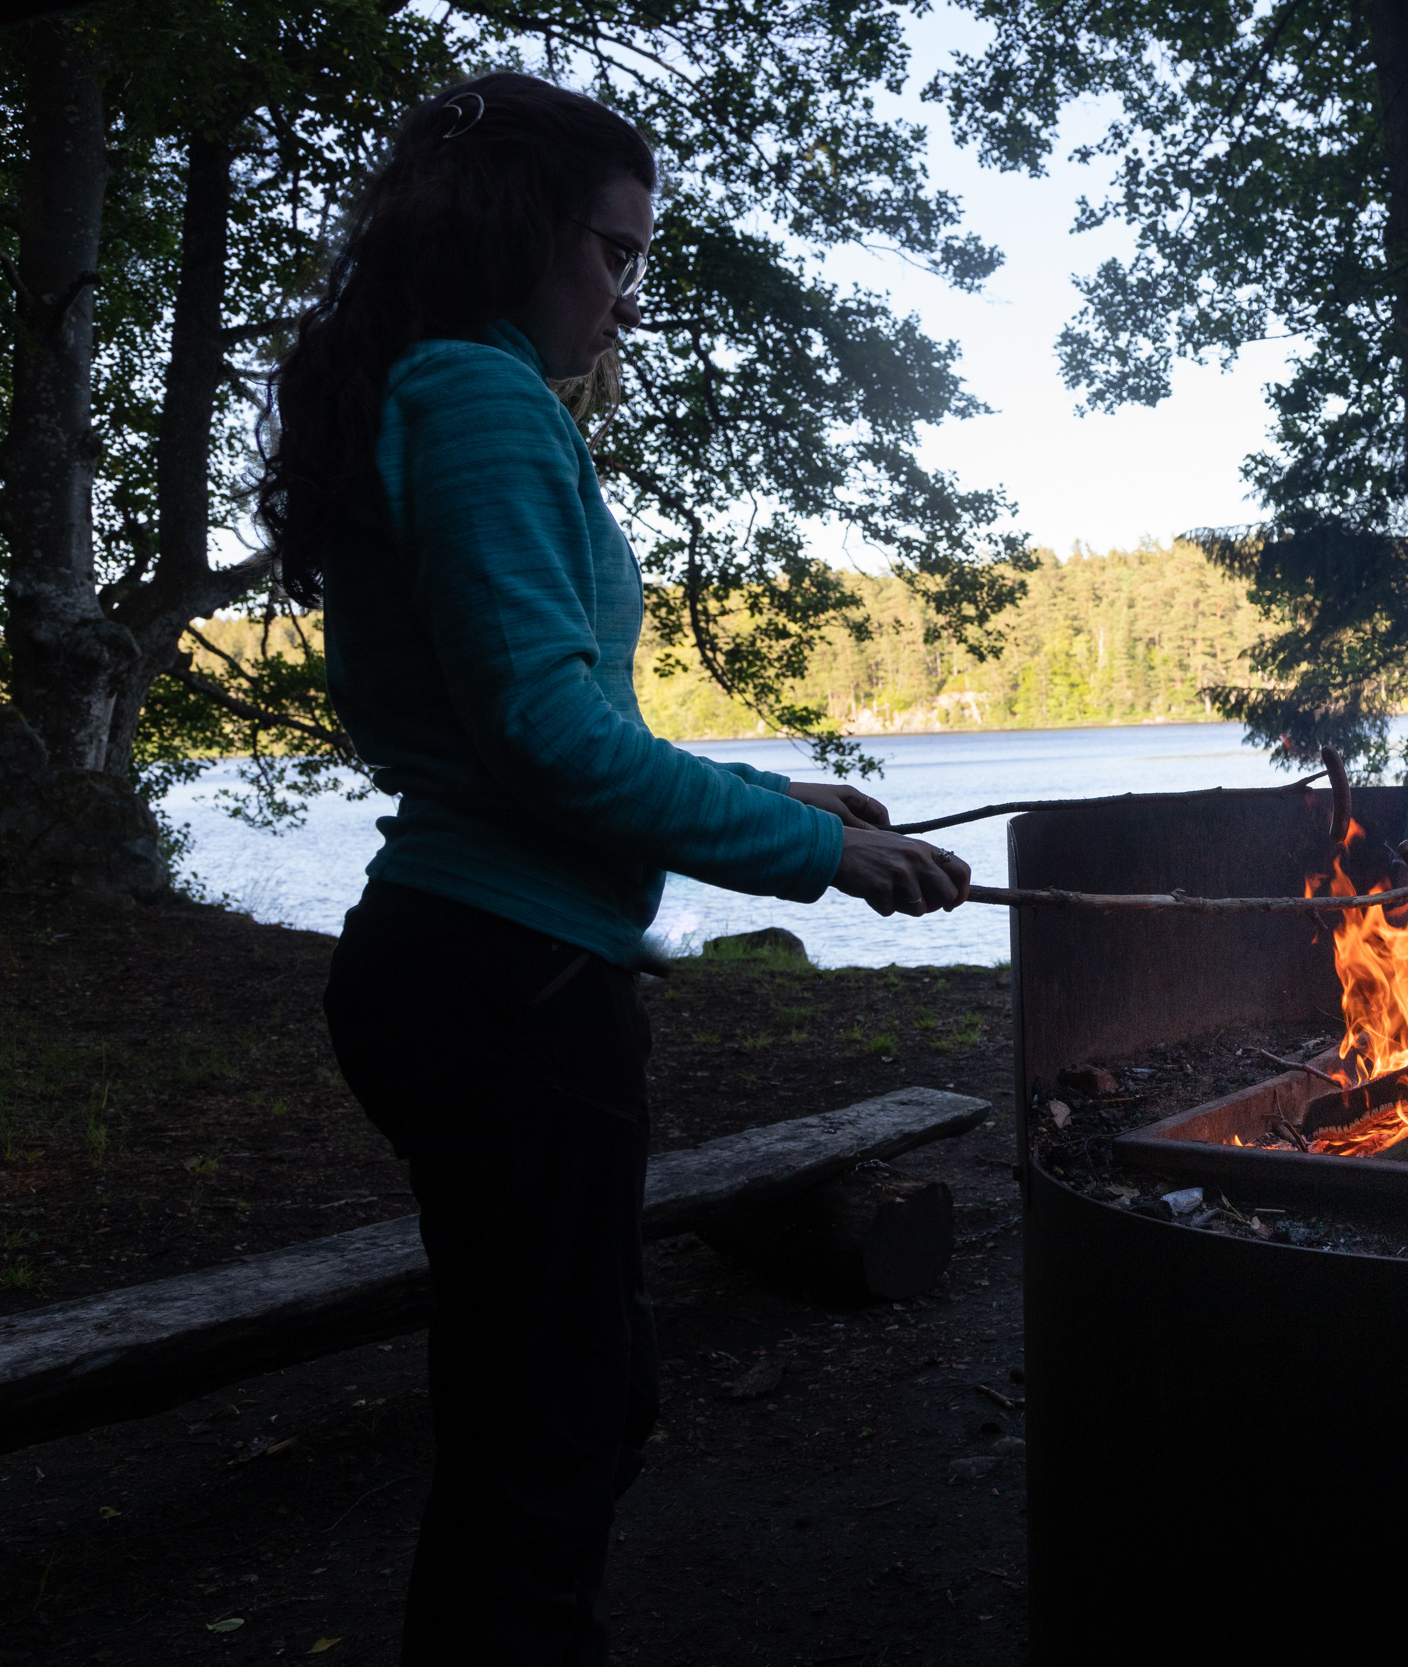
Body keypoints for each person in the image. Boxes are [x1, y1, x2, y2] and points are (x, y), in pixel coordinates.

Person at [253, 72, 971, 1665]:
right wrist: (823, 858)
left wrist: (788, 798)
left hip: (475, 966)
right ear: (517, 229)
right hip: (505, 985)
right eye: (615, 252)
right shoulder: (484, 398)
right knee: (550, 1428)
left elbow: (530, 724)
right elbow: (547, 743)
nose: (625, 294)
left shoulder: (439, 394)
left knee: (554, 1396)